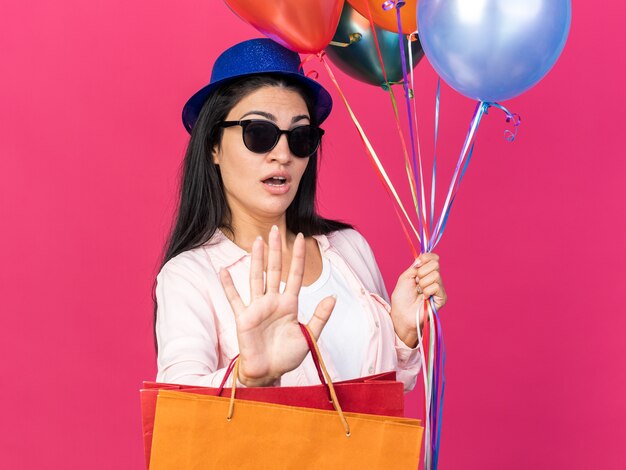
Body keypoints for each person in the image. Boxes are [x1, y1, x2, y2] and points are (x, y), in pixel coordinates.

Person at [153, 38, 447, 392]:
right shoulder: (190, 275)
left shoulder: (348, 248)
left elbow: (387, 400)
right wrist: (249, 377)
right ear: (214, 145)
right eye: (258, 133)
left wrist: (401, 330)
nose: (282, 153)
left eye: (300, 136)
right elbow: (178, 402)